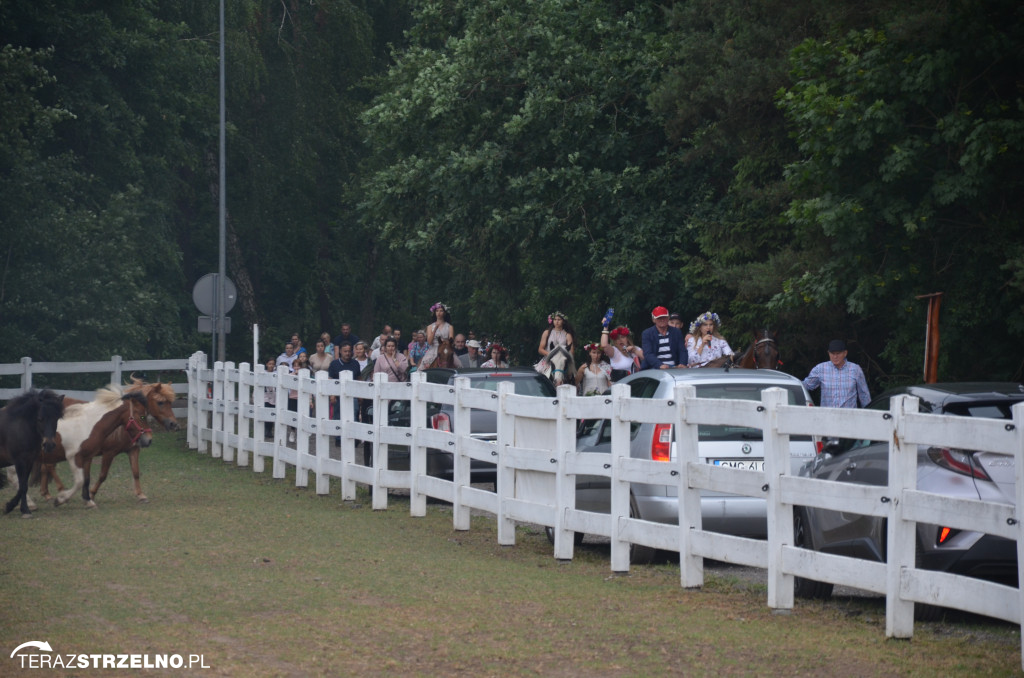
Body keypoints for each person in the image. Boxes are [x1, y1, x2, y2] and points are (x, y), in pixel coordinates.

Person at [803, 339, 871, 408]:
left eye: (838, 353)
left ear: (845, 353)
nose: (835, 357)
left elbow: (864, 395)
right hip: (827, 416)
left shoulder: (855, 369)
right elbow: (806, 385)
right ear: (828, 353)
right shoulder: (820, 369)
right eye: (832, 353)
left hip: (849, 416)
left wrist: (868, 414)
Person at [328, 342, 361, 422]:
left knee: (353, 417)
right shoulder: (334, 364)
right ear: (340, 351)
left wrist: (360, 396)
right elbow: (330, 380)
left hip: (353, 395)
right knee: (337, 418)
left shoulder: (356, 363)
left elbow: (359, 379)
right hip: (337, 395)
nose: (347, 353)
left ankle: (352, 434)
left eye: (349, 351)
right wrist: (332, 395)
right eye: (345, 351)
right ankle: (338, 434)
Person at [420, 302, 454, 369]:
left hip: (446, 348)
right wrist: (435, 329)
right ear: (434, 313)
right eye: (437, 311)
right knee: (422, 368)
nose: (439, 313)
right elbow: (429, 342)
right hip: (433, 349)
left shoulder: (449, 327)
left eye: (441, 311)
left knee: (458, 365)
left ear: (444, 313)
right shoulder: (430, 327)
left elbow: (451, 340)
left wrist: (444, 343)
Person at [262, 358, 277, 439]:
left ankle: (270, 430)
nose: (271, 365)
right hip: (265, 395)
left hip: (273, 395)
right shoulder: (263, 373)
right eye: (269, 364)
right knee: (266, 411)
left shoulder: (276, 373)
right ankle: (266, 429)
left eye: (272, 364)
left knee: (272, 413)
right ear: (267, 364)